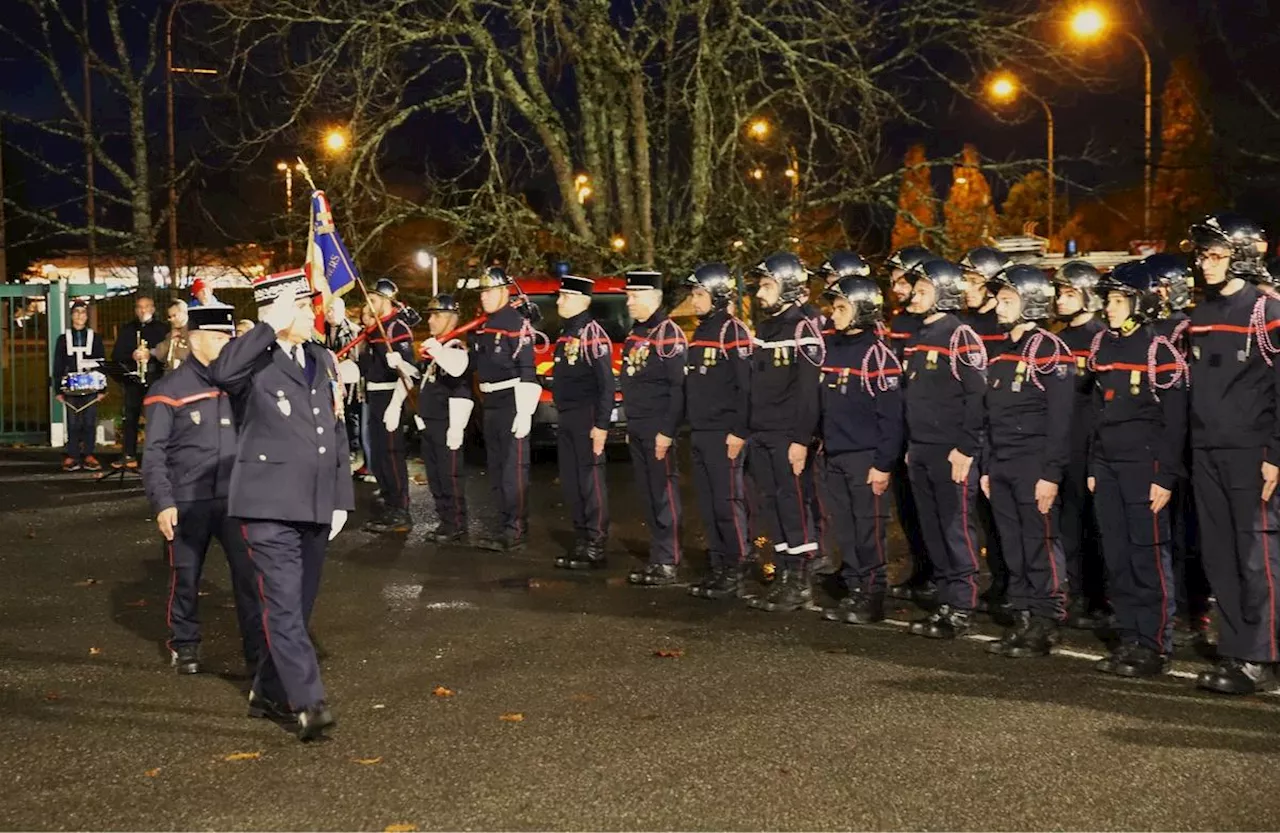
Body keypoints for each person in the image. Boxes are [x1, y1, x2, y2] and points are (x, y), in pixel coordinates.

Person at [209, 270, 353, 741]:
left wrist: (339, 498)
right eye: (302, 306)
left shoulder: (321, 359)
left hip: (313, 502)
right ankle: (307, 701)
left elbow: (335, 431)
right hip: (268, 504)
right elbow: (221, 372)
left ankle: (267, 689)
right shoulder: (254, 358)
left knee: (299, 606)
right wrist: (267, 325)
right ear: (279, 310)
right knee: (285, 607)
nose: (313, 314)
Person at [1184, 212, 1280, 694]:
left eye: (1215, 254)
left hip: (1253, 453)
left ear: (1241, 255)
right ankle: (1237, 649)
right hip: (1207, 451)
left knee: (1256, 556)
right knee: (1220, 556)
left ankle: (1260, 656)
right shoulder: (1200, 315)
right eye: (1202, 254)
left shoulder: (1268, 311)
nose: (1205, 263)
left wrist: (1276, 453)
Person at [141, 305, 265, 677]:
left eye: (229, 338)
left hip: (233, 498)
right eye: (218, 338)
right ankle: (185, 644)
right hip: (187, 500)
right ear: (194, 339)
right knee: (186, 576)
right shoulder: (168, 390)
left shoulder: (236, 383)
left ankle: (258, 651)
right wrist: (163, 503)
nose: (226, 345)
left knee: (248, 577)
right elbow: (154, 454)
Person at [1088, 261, 1188, 677]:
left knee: (1147, 554)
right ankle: (1129, 636)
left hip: (1143, 466)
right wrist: (1095, 462)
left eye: (1117, 301)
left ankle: (1155, 643)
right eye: (1108, 300)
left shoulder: (1158, 350)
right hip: (1108, 464)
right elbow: (1099, 409)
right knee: (1117, 555)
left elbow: (1176, 420)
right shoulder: (1103, 345)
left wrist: (1164, 475)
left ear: (1139, 303)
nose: (1109, 308)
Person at [981, 266, 1075, 657]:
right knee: (1012, 544)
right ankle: (1021, 615)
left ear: (1031, 301)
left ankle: (1046, 619)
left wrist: (1050, 473)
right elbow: (989, 416)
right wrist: (987, 466)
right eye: (999, 300)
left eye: (1007, 300)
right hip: (1002, 462)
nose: (999, 307)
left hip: (1033, 463)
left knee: (1039, 542)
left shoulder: (1051, 350)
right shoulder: (1002, 351)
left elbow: (1060, 419)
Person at [900, 259, 986, 638]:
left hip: (951, 452)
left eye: (922, 291)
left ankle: (963, 604)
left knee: (955, 529)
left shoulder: (960, 335)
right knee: (932, 528)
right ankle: (946, 600)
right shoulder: (919, 335)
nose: (914, 297)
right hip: (921, 449)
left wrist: (966, 448)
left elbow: (977, 396)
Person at [817, 273, 903, 625]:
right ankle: (854, 587)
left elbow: (891, 418)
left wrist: (882, 464)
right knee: (847, 529)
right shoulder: (833, 347)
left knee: (869, 530)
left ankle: (872, 595)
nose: (833, 315)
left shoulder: (877, 356)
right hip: (836, 454)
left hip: (865, 457)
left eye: (841, 308)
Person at [745, 252, 823, 612]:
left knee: (793, 505)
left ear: (788, 288)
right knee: (772, 505)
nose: (760, 293)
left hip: (786, 435)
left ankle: (800, 579)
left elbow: (809, 392)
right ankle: (784, 574)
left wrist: (801, 440)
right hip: (762, 432)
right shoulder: (765, 329)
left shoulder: (803, 329)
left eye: (767, 285)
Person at [1145, 252, 1212, 648]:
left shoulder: (1187, 329)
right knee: (1156, 532)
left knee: (1189, 531)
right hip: (1151, 440)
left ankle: (1196, 605)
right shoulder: (1143, 330)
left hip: (1186, 441)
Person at [683, 263, 752, 598]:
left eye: (699, 294)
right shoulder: (702, 331)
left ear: (718, 295)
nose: (694, 301)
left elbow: (746, 386)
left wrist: (739, 430)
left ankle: (736, 567)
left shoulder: (732, 330)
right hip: (701, 431)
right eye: (694, 294)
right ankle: (718, 564)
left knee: (727, 503)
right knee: (709, 505)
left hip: (724, 433)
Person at [1050, 260, 1108, 629]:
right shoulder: (1055, 339)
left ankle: (1099, 597)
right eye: (1059, 292)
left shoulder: (1100, 337)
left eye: (1069, 293)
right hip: (1063, 441)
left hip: (1091, 442)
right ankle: (1070, 591)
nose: (1060, 299)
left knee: (1094, 523)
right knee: (1065, 520)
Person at [620, 270, 687, 585]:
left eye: (633, 296)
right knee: (648, 495)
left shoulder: (668, 333)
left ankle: (669, 559)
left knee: (664, 495)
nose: (628, 301)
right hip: (638, 425)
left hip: (658, 427)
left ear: (651, 297)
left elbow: (677, 388)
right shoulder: (636, 333)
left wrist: (667, 430)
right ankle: (657, 556)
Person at [471, 267, 542, 551]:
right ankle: (504, 524)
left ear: (504, 292)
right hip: (491, 402)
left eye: (489, 291)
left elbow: (527, 368)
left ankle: (516, 528)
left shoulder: (515, 323)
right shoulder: (484, 325)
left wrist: (525, 411)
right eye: (482, 292)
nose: (485, 297)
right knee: (497, 468)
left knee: (513, 469)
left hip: (513, 399)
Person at [959, 246, 1011, 622]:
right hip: (971, 430)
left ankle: (1012, 582)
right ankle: (992, 578)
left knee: (1002, 513)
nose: (966, 287)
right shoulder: (965, 324)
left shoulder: (1003, 326)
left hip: (1000, 432)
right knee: (974, 512)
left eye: (973, 280)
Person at [548, 274, 614, 570]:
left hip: (587, 417)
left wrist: (601, 425)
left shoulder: (592, 333)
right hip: (567, 416)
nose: (559, 301)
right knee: (573, 482)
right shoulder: (566, 333)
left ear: (580, 300)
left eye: (564, 296)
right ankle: (581, 539)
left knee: (590, 482)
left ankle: (596, 544)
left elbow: (606, 384)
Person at [884, 246, 936, 607]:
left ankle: (940, 575)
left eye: (904, 280)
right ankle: (922, 568)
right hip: (902, 428)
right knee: (908, 506)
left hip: (930, 431)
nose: (898, 289)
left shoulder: (939, 325)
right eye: (893, 282)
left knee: (938, 512)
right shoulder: (899, 322)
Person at [358, 279, 417, 534]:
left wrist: (395, 405)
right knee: (380, 456)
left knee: (391, 455)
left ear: (386, 301)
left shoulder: (395, 328)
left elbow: (410, 372)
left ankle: (400, 510)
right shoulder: (373, 329)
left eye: (373, 299)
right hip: (374, 396)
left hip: (390, 396)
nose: (368, 304)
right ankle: (390, 499)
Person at [417, 294, 474, 544]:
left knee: (449, 475)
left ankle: (456, 523)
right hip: (431, 420)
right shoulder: (438, 347)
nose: (430, 320)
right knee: (435, 476)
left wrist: (457, 427)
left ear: (451, 319)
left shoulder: (454, 347)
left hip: (446, 422)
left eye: (436, 315)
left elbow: (457, 371)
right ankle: (445, 520)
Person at [110, 296, 168, 469]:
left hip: (155, 379)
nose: (143, 311)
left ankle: (154, 457)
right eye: (139, 307)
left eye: (147, 307)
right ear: (135, 310)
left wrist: (149, 356)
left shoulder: (162, 329)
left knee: (156, 420)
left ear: (153, 309)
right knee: (130, 418)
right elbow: (117, 356)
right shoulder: (128, 329)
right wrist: (132, 356)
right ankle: (129, 455)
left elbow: (166, 355)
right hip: (133, 380)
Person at [53, 300, 106, 472]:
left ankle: (89, 453)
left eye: (83, 312)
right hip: (70, 388)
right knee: (73, 422)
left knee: (90, 421)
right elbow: (58, 365)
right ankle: (73, 455)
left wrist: (102, 388)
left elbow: (101, 363)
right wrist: (57, 389)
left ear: (87, 316)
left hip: (91, 387)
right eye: (76, 312)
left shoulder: (95, 338)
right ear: (71, 315)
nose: (79, 316)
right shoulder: (62, 339)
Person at [152, 298, 190, 371]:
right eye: (170, 317)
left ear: (184, 313)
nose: (171, 320)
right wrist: (170, 341)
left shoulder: (195, 332)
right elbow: (160, 355)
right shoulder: (171, 334)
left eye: (174, 315)